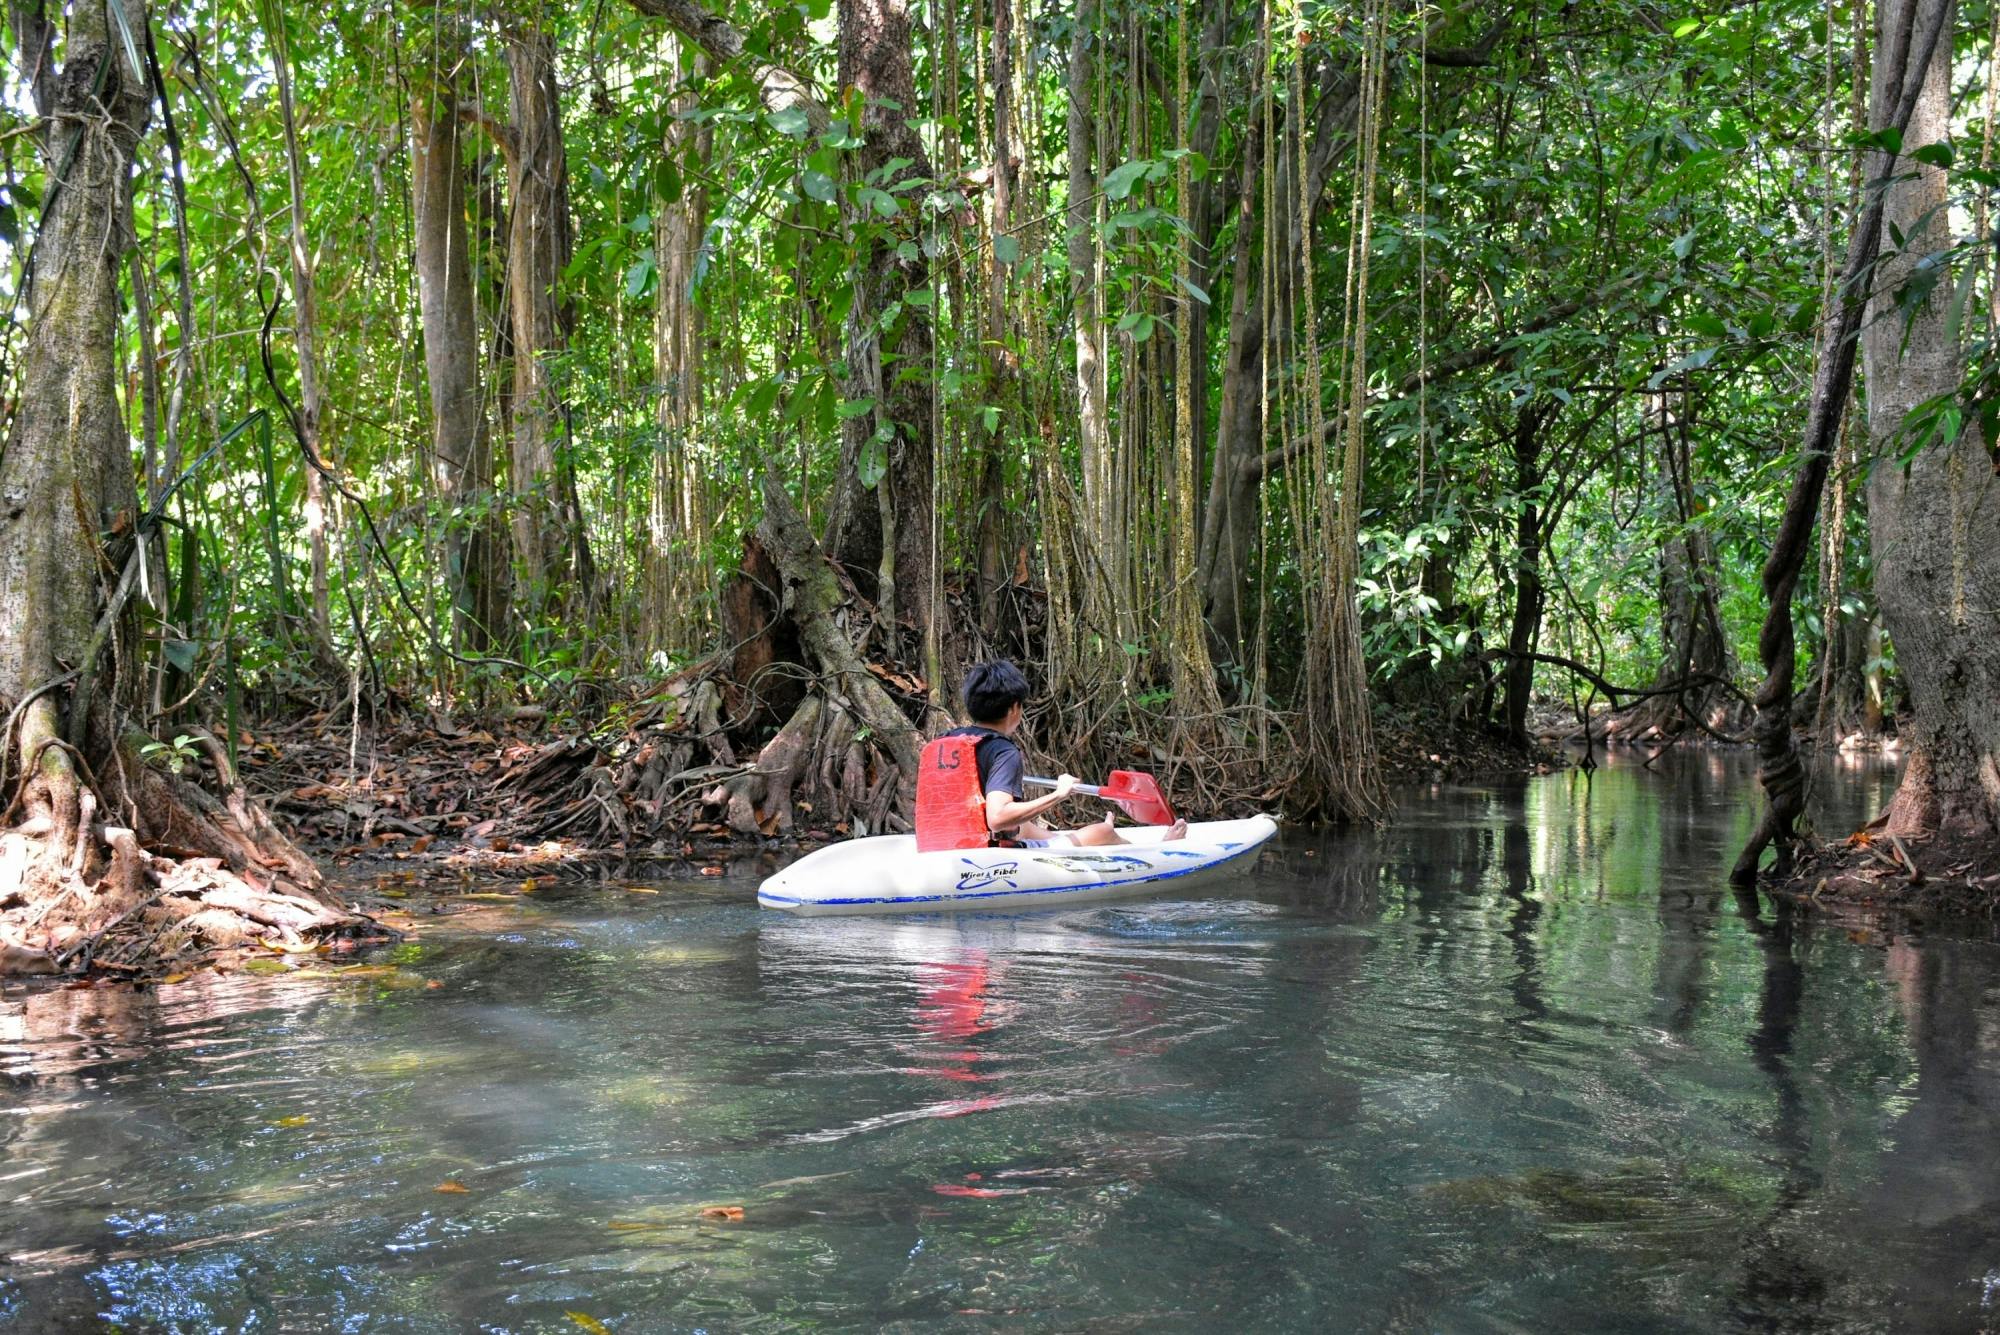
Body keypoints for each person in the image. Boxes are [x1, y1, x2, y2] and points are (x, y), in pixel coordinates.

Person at [939, 660, 1186, 848]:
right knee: (1102, 832)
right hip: (989, 854)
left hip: (949, 840)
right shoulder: (1004, 751)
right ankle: (1155, 849)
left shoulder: (950, 740)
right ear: (1015, 708)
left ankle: (1074, 840)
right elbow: (998, 818)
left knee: (1024, 826)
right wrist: (1059, 794)